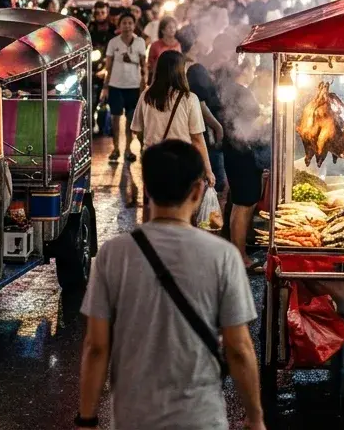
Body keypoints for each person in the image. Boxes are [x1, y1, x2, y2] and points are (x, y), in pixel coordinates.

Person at [78, 140, 264, 430]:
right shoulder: (222, 255)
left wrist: (86, 419)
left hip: (133, 417)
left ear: (148, 190)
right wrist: (255, 418)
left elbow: (97, 346)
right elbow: (238, 348)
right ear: (197, 191)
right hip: (200, 418)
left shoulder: (114, 255)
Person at [132, 50, 214, 187]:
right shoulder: (189, 99)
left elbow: (137, 130)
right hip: (181, 162)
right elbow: (197, 139)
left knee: (155, 204)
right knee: (179, 204)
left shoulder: (146, 95)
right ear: (179, 71)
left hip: (153, 161)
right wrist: (208, 170)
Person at [216, 59, 265, 267]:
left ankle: (237, 253)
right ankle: (241, 256)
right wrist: (268, 117)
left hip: (232, 152)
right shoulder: (240, 92)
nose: (253, 70)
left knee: (239, 202)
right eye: (252, 67)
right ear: (242, 70)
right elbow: (252, 125)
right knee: (244, 204)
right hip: (243, 153)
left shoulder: (225, 90)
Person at [177, 26, 226, 193]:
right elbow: (200, 102)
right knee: (213, 182)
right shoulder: (194, 68)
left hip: (186, 126)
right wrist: (216, 125)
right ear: (195, 43)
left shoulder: (179, 64)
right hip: (203, 130)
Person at [99, 12, 148, 173]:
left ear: (134, 25)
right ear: (119, 26)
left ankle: (128, 149)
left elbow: (144, 65)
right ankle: (116, 149)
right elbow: (109, 66)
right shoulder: (113, 43)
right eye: (124, 23)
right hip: (116, 86)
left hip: (133, 86)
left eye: (130, 23)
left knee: (130, 120)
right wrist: (105, 87)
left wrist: (144, 84)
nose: (127, 26)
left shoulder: (140, 42)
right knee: (115, 119)